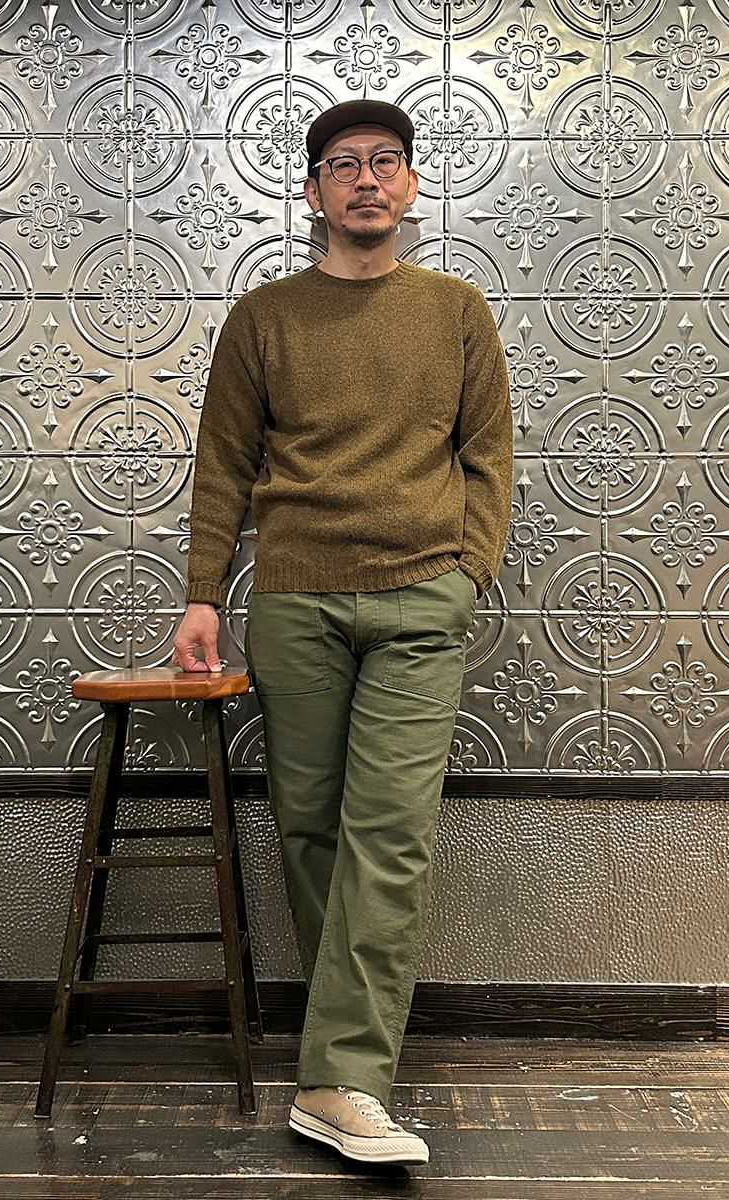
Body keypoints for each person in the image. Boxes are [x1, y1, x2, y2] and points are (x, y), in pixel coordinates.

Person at [171, 99, 513, 1167]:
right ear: (314, 190)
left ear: (410, 184)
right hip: (295, 602)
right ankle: (339, 1068)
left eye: (387, 161)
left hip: (421, 599)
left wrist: (466, 573)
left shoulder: (457, 310)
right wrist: (202, 594)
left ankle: (342, 1078)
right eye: (344, 164)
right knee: (311, 831)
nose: (368, 178)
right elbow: (224, 463)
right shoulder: (264, 317)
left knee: (391, 835)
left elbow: (489, 456)